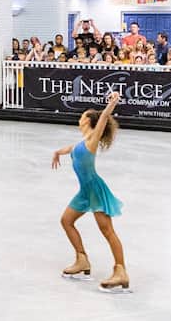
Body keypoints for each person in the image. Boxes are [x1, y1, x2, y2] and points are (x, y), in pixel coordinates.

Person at [53, 91, 129, 293]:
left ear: (88, 121)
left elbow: (104, 118)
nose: (80, 117)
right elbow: (75, 148)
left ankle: (120, 271)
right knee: (66, 221)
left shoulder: (93, 139)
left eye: (83, 115)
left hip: (95, 190)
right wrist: (60, 151)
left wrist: (112, 103)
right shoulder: (84, 140)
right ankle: (82, 260)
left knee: (107, 230)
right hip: (84, 192)